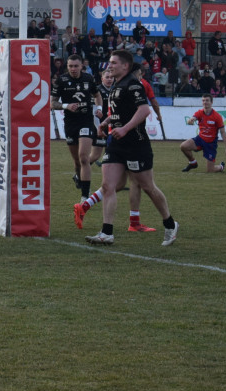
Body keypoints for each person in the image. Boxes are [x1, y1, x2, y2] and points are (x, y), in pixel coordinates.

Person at [73, 50, 178, 247]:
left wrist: (125, 128)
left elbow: (144, 110)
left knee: (148, 187)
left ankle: (170, 224)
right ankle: (107, 232)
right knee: (107, 186)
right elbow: (120, 113)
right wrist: (105, 123)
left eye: (113, 63)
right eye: (109, 62)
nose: (109, 66)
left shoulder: (133, 85)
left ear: (125, 66)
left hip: (136, 144)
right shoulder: (115, 86)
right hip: (117, 144)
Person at [51, 54, 102, 199]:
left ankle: (85, 196)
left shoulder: (88, 78)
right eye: (70, 66)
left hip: (86, 121)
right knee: (77, 162)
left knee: (84, 158)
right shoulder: (61, 81)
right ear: (67, 67)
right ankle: (78, 177)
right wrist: (66, 106)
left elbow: (97, 95)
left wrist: (99, 109)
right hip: (70, 123)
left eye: (76, 66)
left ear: (81, 66)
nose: (73, 69)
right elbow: (52, 103)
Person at [180, 94, 226, 173]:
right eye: (203, 100)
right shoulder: (200, 112)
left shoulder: (217, 116)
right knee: (183, 146)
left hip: (210, 144)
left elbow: (223, 132)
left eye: (207, 100)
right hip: (200, 139)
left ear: (211, 102)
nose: (205, 102)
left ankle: (221, 167)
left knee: (210, 170)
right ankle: (193, 163)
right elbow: (193, 118)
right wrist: (190, 120)